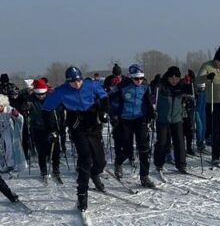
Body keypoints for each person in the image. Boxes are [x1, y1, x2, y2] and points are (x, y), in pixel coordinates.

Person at [42, 67, 109, 211]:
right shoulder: (61, 91)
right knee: (85, 158)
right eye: (73, 82)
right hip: (77, 127)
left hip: (93, 125)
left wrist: (103, 111)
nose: (77, 84)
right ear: (68, 82)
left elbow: (104, 97)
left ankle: (95, 173)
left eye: (79, 80)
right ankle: (82, 194)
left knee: (100, 161)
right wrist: (52, 129)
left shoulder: (91, 85)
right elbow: (46, 109)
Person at [111, 64, 156, 188]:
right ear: (130, 77)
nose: (139, 81)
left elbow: (148, 101)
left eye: (141, 78)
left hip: (140, 119)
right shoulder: (122, 86)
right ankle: (118, 162)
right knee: (127, 150)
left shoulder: (145, 86)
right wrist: (113, 116)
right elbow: (114, 102)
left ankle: (144, 177)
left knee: (144, 149)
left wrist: (151, 113)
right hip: (125, 120)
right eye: (136, 79)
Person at [153, 66, 191, 175]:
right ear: (168, 78)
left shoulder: (181, 86)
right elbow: (152, 90)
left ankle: (181, 164)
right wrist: (155, 83)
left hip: (176, 119)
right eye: (172, 78)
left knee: (179, 141)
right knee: (162, 142)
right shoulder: (162, 86)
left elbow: (191, 91)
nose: (174, 80)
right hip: (163, 119)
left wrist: (191, 82)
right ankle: (159, 164)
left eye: (176, 78)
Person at [29, 78, 65, 183]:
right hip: (38, 128)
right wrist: (26, 109)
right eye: (38, 95)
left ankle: (56, 169)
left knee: (55, 150)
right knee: (42, 151)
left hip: (52, 127)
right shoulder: (31, 100)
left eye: (43, 94)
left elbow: (60, 109)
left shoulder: (51, 98)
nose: (41, 96)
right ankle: (43, 171)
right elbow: (26, 111)